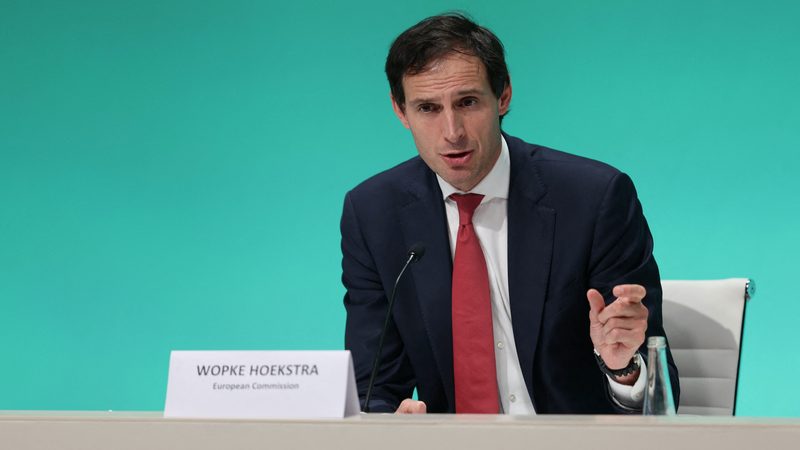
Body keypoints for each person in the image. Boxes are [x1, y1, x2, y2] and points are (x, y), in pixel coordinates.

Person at [340, 13, 679, 414]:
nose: (452, 132)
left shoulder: (594, 198)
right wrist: (389, 421)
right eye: (428, 108)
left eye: (467, 102)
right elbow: (373, 385)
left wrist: (622, 367)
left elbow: (658, 389)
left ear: (503, 96)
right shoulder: (374, 213)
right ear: (400, 111)